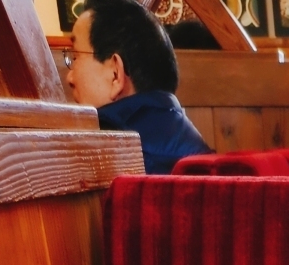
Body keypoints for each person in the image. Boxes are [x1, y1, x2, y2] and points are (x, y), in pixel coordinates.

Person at [64, 0, 212, 175]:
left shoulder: (106, 161)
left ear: (115, 74)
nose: (69, 78)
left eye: (75, 57)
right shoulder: (191, 146)